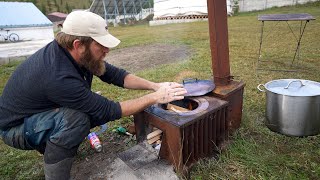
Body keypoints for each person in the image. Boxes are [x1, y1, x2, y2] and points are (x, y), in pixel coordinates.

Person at [0, 11, 187, 179]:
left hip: (38, 113)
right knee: (77, 119)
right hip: (15, 129)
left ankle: (52, 143)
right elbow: (108, 110)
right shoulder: (58, 75)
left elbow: (115, 75)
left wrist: (155, 86)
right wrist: (156, 97)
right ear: (78, 44)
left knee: (83, 112)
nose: (107, 50)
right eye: (101, 45)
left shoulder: (74, 54)